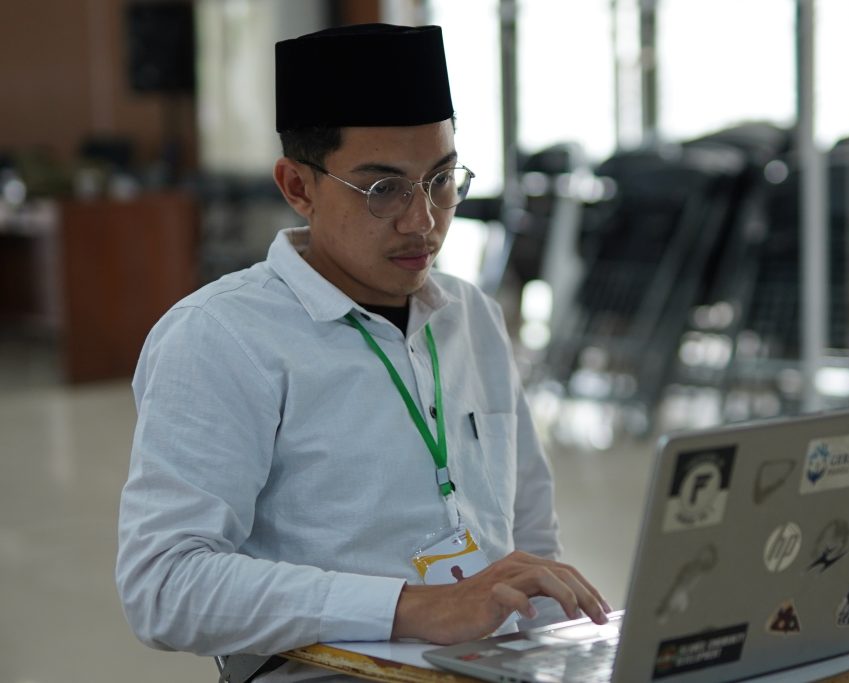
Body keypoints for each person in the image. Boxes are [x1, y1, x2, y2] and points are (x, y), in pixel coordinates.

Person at [115, 23, 609, 682]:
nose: (423, 221)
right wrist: (408, 607)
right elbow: (164, 586)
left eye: (441, 180)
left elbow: (530, 539)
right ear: (298, 186)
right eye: (384, 189)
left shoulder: (471, 318)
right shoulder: (220, 338)